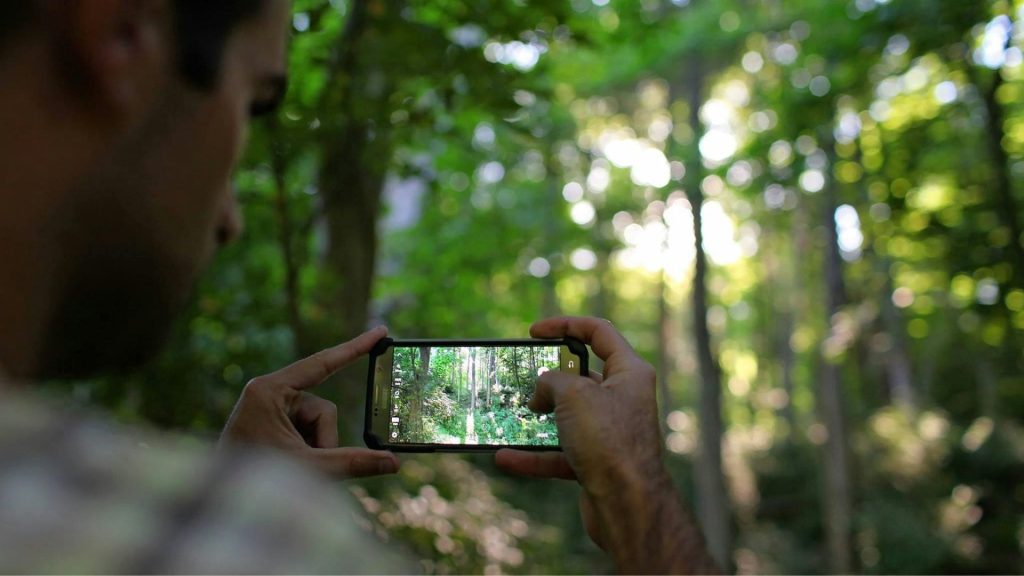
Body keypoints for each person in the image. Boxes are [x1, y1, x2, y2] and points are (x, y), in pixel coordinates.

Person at [0, 0, 719, 573]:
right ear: (121, 32)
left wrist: (226, 494)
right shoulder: (279, 550)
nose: (231, 216)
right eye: (254, 101)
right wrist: (636, 499)